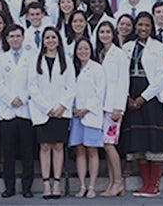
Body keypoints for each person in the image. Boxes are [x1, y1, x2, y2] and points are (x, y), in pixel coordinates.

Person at [122, 12, 163, 197]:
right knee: (138, 142)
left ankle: (154, 184)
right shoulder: (126, 47)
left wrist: (143, 98)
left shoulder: (158, 47)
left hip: (150, 99)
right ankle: (145, 184)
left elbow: (160, 77)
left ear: (152, 28)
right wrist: (127, 97)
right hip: (130, 95)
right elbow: (120, 74)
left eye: (147, 25)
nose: (143, 28)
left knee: (153, 141)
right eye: (140, 25)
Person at [29, 27, 73, 199]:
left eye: (53, 37)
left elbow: (71, 87)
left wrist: (62, 106)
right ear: (43, 41)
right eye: (47, 37)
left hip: (61, 111)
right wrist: (47, 108)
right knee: (45, 146)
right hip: (43, 111)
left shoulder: (66, 60)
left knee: (58, 146)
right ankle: (46, 183)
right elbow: (32, 87)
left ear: (58, 40)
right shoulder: (36, 60)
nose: (50, 40)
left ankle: (57, 183)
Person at [0, 24, 37, 198]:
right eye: (11, 36)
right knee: (8, 151)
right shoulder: (1, 59)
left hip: (26, 111)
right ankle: (9, 187)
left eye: (18, 36)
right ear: (7, 39)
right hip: (8, 111)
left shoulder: (32, 57)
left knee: (27, 151)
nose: (15, 39)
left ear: (23, 37)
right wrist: (11, 99)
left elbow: (34, 82)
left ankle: (27, 187)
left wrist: (23, 98)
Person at [68, 37, 105, 198]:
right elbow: (68, 89)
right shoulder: (71, 68)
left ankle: (92, 186)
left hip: (91, 115)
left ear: (91, 50)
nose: (83, 52)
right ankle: (82, 185)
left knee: (92, 150)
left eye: (86, 49)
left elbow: (100, 93)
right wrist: (73, 109)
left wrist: (86, 109)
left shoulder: (97, 68)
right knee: (80, 150)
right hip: (75, 116)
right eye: (80, 49)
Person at [95, 21, 128, 197]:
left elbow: (123, 82)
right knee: (107, 145)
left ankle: (118, 182)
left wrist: (118, 107)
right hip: (102, 105)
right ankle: (112, 182)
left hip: (113, 107)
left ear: (113, 34)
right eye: (102, 31)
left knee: (109, 144)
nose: (105, 34)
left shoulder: (119, 54)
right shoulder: (100, 53)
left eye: (108, 31)